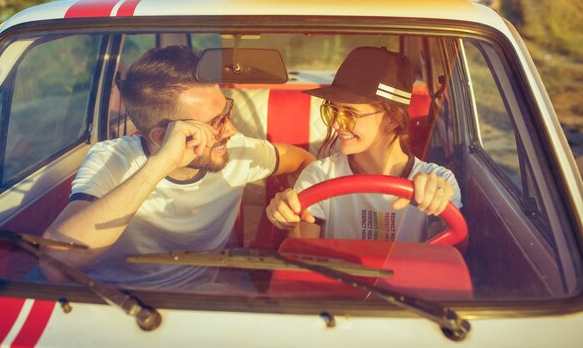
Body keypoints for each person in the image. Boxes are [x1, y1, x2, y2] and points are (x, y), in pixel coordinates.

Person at [43, 46, 315, 288]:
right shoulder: (112, 157)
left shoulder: (236, 150)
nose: (231, 130)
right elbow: (54, 264)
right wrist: (162, 164)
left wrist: (296, 207)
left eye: (227, 112)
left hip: (201, 296)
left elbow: (303, 161)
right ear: (162, 138)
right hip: (110, 297)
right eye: (215, 123)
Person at [266, 46, 462, 242]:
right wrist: (287, 220)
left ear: (392, 119)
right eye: (333, 110)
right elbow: (301, 257)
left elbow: (447, 259)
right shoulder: (318, 177)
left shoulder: (439, 182)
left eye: (350, 114)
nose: (336, 123)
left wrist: (438, 199)